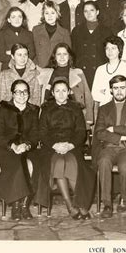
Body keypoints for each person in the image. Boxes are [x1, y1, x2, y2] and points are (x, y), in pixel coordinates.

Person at [35, 79, 95, 219]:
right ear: (53, 93)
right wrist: (54, 145)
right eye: (57, 91)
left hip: (72, 146)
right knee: (59, 163)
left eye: (64, 90)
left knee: (71, 163)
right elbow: (42, 132)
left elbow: (81, 131)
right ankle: (70, 205)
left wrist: (70, 145)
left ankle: (81, 204)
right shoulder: (46, 109)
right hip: (51, 147)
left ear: (69, 92)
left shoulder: (76, 109)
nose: (61, 94)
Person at [92, 75, 126, 218]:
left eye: (122, 88)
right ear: (111, 90)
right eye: (115, 88)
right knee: (103, 161)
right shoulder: (103, 109)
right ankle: (107, 204)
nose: (119, 91)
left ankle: (124, 197)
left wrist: (113, 128)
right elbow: (99, 133)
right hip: (108, 147)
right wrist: (120, 136)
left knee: (125, 166)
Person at [0, 79, 40, 220]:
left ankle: (25, 205)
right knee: (17, 164)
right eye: (18, 92)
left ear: (29, 94)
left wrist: (26, 145)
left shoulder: (33, 110)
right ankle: (15, 205)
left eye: (25, 92)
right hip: (6, 147)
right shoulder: (4, 109)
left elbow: (35, 134)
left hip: (27, 147)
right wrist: (13, 146)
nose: (22, 95)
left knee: (38, 164)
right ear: (12, 94)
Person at [38, 43, 94, 125]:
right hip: (50, 118)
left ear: (69, 56)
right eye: (59, 54)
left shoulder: (78, 73)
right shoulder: (45, 73)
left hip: (74, 117)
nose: (62, 57)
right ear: (54, 56)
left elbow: (88, 95)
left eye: (65, 54)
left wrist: (89, 117)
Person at [91, 36, 126, 116]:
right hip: (103, 109)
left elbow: (123, 91)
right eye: (107, 48)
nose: (110, 51)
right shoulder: (100, 69)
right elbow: (94, 94)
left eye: (113, 48)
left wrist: (104, 91)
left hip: (122, 109)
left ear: (119, 50)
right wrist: (109, 94)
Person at [71, 1, 109, 88]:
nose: (88, 13)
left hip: (99, 72)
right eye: (85, 11)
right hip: (81, 73)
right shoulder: (76, 31)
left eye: (91, 10)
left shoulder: (106, 31)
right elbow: (73, 52)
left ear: (97, 12)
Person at [0, 43, 41, 109]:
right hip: (9, 113)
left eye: (25, 54)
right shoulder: (4, 74)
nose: (23, 58)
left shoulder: (35, 74)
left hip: (29, 113)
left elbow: (37, 99)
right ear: (12, 56)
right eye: (19, 55)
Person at [32, 1, 72, 68]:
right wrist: (35, 66)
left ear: (57, 14)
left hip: (57, 69)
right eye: (47, 13)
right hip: (39, 69)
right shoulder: (36, 30)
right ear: (43, 15)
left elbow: (68, 55)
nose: (49, 16)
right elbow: (33, 51)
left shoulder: (64, 33)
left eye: (52, 13)